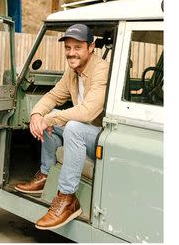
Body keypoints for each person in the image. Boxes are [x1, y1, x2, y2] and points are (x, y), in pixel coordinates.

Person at [14, 23, 109, 230]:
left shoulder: (101, 69)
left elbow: (88, 112)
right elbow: (54, 95)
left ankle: (67, 198)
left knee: (70, 125)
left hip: (103, 137)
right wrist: (38, 114)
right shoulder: (72, 70)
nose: (71, 53)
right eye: (68, 48)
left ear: (91, 47)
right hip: (81, 130)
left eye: (77, 47)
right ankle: (46, 175)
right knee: (53, 115)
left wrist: (51, 120)